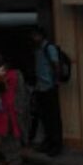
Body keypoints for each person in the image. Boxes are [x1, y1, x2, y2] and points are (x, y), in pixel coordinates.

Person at [30, 26, 62, 156]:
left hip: (49, 87)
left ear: (40, 36)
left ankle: (56, 145)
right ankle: (48, 142)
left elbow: (56, 66)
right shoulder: (39, 50)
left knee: (53, 117)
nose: (33, 38)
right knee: (45, 117)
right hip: (41, 87)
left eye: (35, 35)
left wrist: (55, 83)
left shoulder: (49, 48)